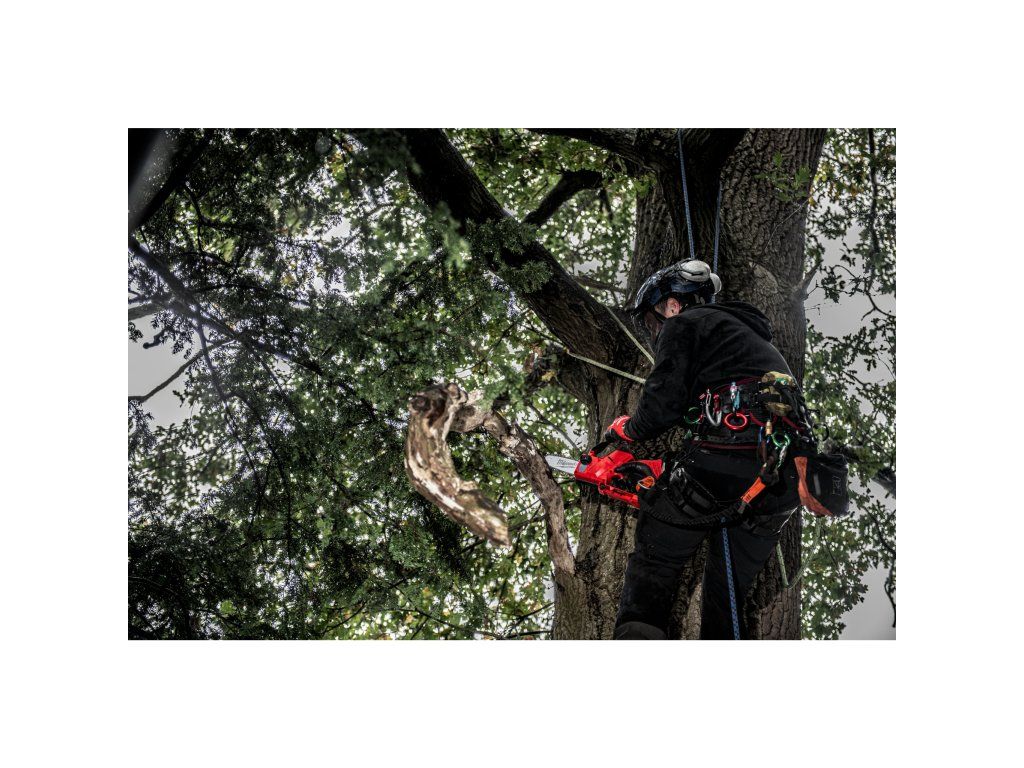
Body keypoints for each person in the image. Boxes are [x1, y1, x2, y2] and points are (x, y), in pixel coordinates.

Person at [606, 260, 811, 640]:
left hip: (725, 458)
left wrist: (629, 429)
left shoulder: (684, 323)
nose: (656, 330)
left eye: (653, 320)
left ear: (671, 305)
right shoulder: (752, 343)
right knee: (726, 591)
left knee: (656, 557)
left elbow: (662, 405)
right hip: (781, 482)